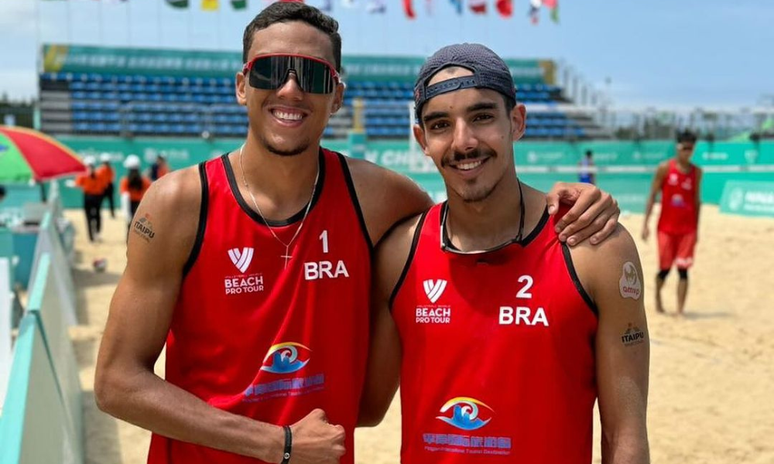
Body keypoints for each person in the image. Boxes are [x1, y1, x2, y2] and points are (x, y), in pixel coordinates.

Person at [94, 4, 620, 464]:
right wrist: (274, 443)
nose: (291, 89)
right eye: (270, 71)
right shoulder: (179, 204)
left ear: (338, 95)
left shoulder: (380, 199)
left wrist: (568, 199)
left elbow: (477, 216)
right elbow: (116, 382)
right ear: (240, 85)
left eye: (315, 76)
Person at [358, 44, 650, 464]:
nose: (463, 141)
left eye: (481, 117)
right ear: (422, 140)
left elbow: (626, 439)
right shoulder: (399, 253)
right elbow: (367, 407)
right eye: (441, 124)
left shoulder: (593, 246)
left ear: (516, 121)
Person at [641, 129, 702, 315]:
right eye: (684, 148)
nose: (687, 152)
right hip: (666, 228)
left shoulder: (697, 172)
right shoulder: (665, 168)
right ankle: (658, 296)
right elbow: (652, 196)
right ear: (678, 147)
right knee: (665, 269)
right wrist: (645, 224)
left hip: (687, 229)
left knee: (684, 270)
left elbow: (696, 201)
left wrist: (697, 230)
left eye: (690, 148)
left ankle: (680, 310)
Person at [73, 156, 105, 243]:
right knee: (97, 214)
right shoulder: (99, 174)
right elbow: (103, 186)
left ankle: (91, 236)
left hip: (88, 197)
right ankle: (97, 232)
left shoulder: (84, 174)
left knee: (88, 217)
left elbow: (77, 184)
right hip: (97, 197)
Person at [119, 154, 152, 234]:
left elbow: (124, 196)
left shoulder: (125, 181)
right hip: (140, 205)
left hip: (130, 205)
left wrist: (126, 213)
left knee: (130, 225)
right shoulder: (145, 181)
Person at [97, 153, 116, 218]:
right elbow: (99, 178)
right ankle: (98, 213)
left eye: (107, 162)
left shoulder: (111, 169)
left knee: (111, 201)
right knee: (100, 201)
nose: (106, 164)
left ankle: (112, 214)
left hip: (109, 187)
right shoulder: (100, 170)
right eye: (105, 162)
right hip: (102, 187)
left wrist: (107, 183)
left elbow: (112, 177)